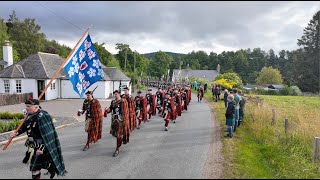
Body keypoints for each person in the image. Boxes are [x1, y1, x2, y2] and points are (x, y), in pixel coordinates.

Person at [10, 98, 67, 179]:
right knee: (37, 166)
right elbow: (25, 126)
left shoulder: (42, 116)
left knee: (34, 168)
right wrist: (16, 133)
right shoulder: (30, 115)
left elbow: (48, 135)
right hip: (33, 146)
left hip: (41, 147)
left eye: (29, 106)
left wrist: (41, 148)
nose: (26, 108)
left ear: (36, 107)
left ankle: (51, 166)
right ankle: (50, 167)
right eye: (26, 106)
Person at [104, 90, 130, 157]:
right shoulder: (113, 102)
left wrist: (125, 122)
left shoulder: (123, 101)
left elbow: (125, 112)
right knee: (116, 135)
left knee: (118, 135)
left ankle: (117, 148)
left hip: (120, 120)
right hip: (114, 120)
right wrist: (107, 110)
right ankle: (119, 142)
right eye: (114, 94)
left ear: (119, 94)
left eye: (116, 94)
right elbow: (111, 109)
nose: (115, 95)